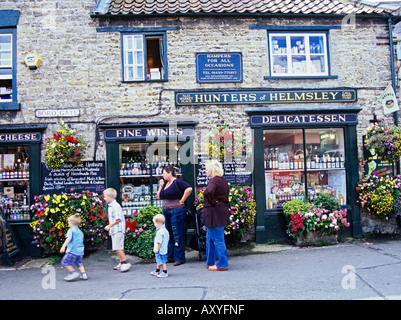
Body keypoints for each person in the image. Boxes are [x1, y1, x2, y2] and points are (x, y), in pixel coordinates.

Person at [157, 165, 192, 266]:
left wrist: (182, 200)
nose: (162, 174)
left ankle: (179, 258)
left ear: (170, 173)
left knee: (177, 234)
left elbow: (189, 189)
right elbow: (159, 196)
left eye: (164, 172)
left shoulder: (178, 182)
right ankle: (170, 256)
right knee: (168, 234)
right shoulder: (166, 183)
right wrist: (160, 186)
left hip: (176, 211)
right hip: (166, 211)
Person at [204, 159, 230, 271]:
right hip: (221, 211)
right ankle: (210, 262)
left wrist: (212, 202)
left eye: (206, 169)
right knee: (210, 238)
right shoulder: (223, 180)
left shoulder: (213, 181)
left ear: (211, 169)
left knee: (218, 239)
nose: (205, 171)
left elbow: (208, 192)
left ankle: (222, 264)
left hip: (215, 213)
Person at [103, 187, 131, 272]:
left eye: (105, 197)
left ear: (111, 196)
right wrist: (111, 230)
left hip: (118, 229)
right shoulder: (111, 206)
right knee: (116, 247)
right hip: (115, 229)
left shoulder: (115, 206)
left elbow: (118, 219)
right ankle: (121, 262)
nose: (104, 198)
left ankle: (125, 263)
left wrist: (109, 226)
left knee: (117, 247)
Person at [60, 214, 87, 281]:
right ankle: (84, 275)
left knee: (65, 262)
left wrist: (63, 246)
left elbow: (69, 238)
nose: (68, 223)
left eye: (68, 222)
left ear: (72, 223)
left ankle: (73, 273)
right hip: (80, 251)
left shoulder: (71, 230)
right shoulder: (80, 232)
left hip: (72, 251)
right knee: (79, 263)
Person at [151, 214, 170, 278]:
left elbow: (159, 242)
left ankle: (165, 272)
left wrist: (157, 249)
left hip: (160, 250)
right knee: (159, 260)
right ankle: (157, 270)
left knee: (162, 261)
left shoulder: (159, 232)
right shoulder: (165, 231)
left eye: (155, 223)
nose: (154, 225)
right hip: (164, 249)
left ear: (158, 223)